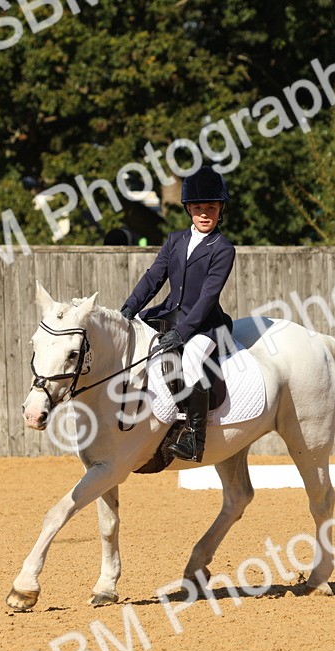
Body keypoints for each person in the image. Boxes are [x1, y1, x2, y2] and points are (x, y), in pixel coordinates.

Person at [120, 165, 235, 463]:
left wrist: (182, 334)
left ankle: (195, 437)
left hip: (205, 325)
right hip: (169, 313)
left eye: (210, 207)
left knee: (191, 359)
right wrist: (129, 309)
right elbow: (153, 278)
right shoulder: (175, 240)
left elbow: (208, 297)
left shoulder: (222, 249)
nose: (204, 213)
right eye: (198, 207)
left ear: (220, 208)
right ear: (189, 209)